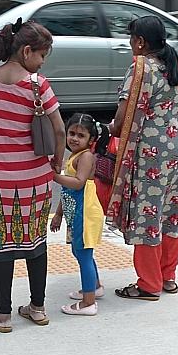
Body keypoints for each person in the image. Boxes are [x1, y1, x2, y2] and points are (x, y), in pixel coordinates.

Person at [0, 19, 64, 333]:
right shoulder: (38, 84)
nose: (42, 62)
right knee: (35, 241)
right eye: (41, 55)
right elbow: (59, 129)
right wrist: (57, 163)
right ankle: (37, 308)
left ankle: (3, 316)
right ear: (26, 51)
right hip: (33, 180)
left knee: (0, 245)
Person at [108, 15, 178, 301]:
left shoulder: (141, 67)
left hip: (151, 152)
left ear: (141, 42)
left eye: (132, 39)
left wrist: (107, 131)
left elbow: (122, 118)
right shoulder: (177, 66)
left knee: (147, 214)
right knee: (171, 211)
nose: (130, 44)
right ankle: (167, 276)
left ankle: (148, 284)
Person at [50, 114, 104, 316]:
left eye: (80, 135)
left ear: (91, 140)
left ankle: (88, 302)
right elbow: (68, 192)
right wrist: (58, 215)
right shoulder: (74, 156)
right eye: (71, 133)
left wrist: (54, 176)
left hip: (85, 213)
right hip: (76, 213)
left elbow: (78, 183)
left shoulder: (86, 156)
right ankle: (95, 287)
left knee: (83, 255)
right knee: (82, 253)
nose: (74, 138)